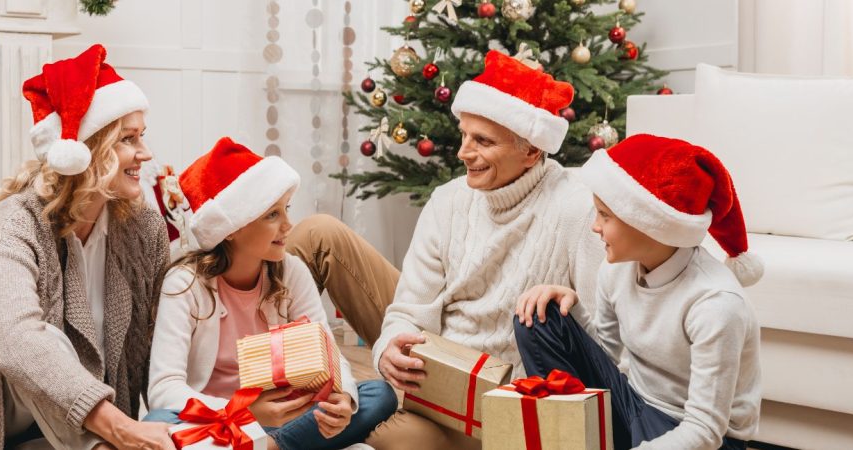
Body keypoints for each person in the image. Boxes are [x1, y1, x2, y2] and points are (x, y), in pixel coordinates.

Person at [284, 50, 605, 449]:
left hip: (498, 402)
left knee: (381, 442)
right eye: (464, 135)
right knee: (317, 233)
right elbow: (408, 309)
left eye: (482, 141)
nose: (462, 153)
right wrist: (389, 347)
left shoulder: (576, 209)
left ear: (531, 151)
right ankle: (262, 384)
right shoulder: (449, 199)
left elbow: (604, 339)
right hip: (430, 366)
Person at [0, 44, 176, 450]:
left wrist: (177, 415)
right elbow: (16, 340)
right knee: (45, 340)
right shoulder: (14, 222)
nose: (145, 153)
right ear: (90, 148)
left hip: (62, 419)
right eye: (128, 139)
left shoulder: (143, 228)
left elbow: (154, 338)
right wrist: (120, 429)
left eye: (142, 136)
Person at [513, 134, 763, 449]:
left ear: (649, 223)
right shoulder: (616, 269)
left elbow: (705, 431)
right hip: (636, 405)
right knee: (538, 315)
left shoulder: (715, 304)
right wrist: (571, 306)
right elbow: (607, 353)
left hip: (700, 436)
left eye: (605, 215)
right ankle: (565, 435)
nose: (595, 226)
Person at [145, 137, 396, 450]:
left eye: (285, 210)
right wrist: (241, 411)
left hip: (283, 417)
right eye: (272, 215)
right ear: (232, 228)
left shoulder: (292, 272)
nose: (288, 225)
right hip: (218, 420)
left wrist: (342, 398)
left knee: (376, 395)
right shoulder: (184, 284)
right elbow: (163, 388)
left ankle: (272, 446)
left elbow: (330, 356)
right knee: (157, 419)